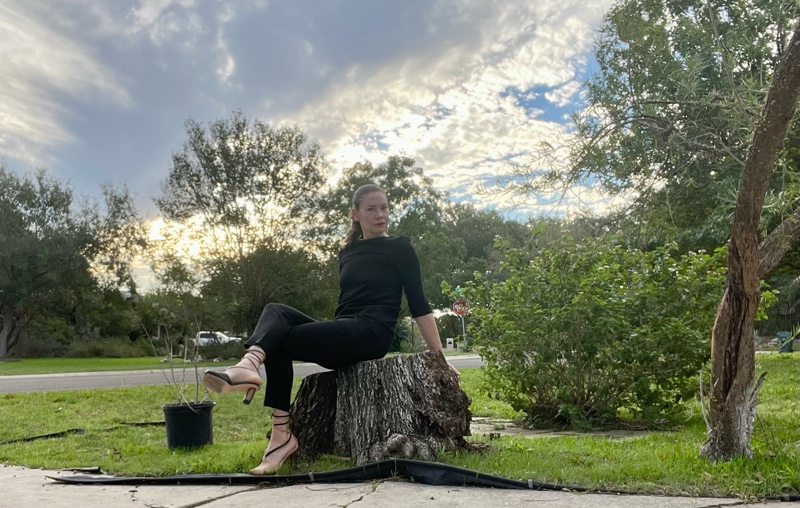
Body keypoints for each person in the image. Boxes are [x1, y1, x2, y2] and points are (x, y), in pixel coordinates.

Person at [202, 183, 458, 475]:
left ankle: (277, 429)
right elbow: (348, 303)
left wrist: (439, 357)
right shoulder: (347, 251)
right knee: (275, 312)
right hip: (345, 329)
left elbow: (419, 304)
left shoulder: (400, 248)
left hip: (371, 334)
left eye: (384, 207)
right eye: (371, 209)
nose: (380, 214)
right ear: (355, 214)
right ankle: (256, 379)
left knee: (279, 338)